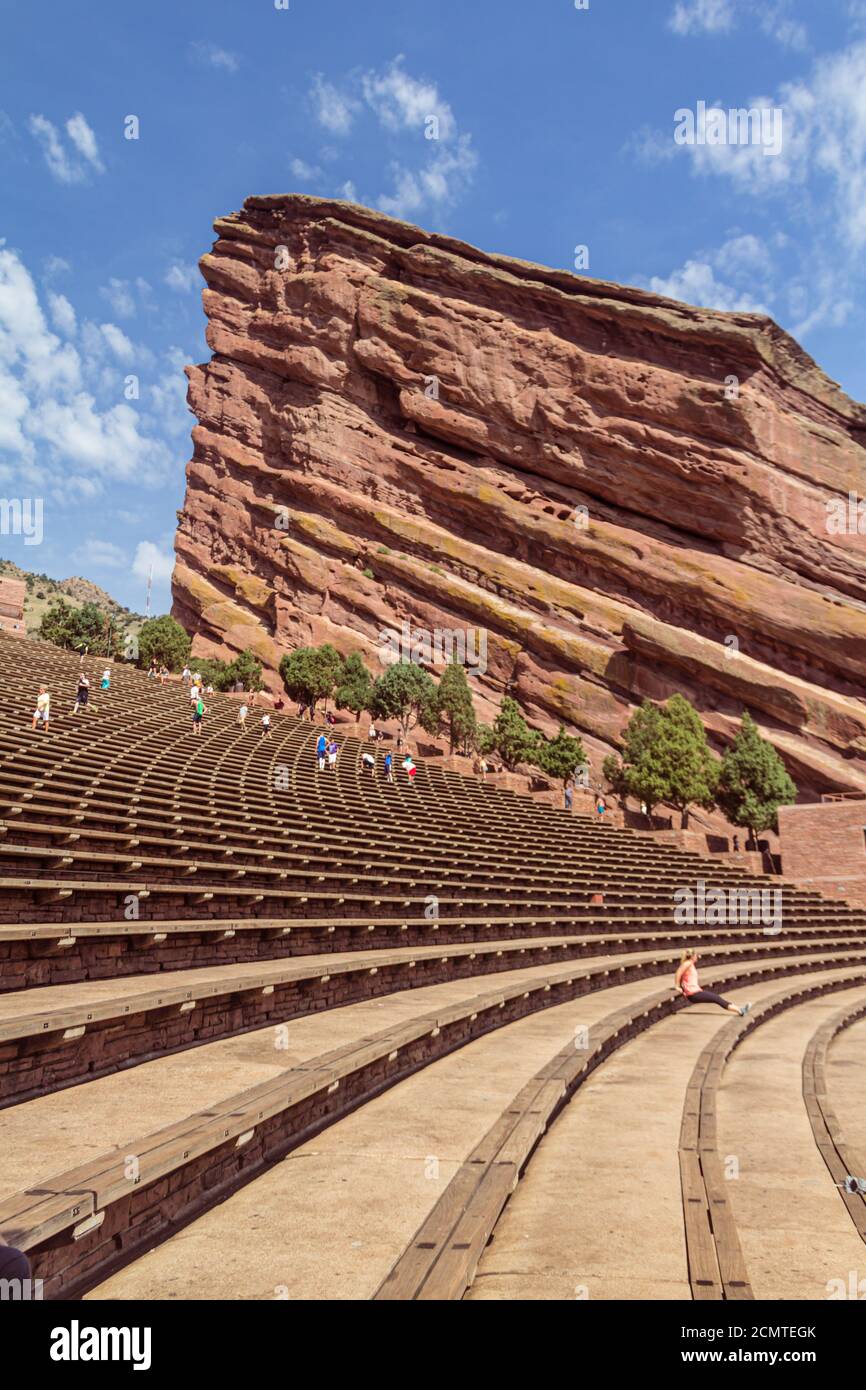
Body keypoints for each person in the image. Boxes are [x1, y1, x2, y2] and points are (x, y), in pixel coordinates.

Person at [675, 950, 751, 1017]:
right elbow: (678, 973)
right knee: (716, 998)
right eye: (696, 955)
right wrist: (677, 986)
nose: (697, 957)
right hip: (693, 994)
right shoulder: (687, 963)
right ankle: (740, 1011)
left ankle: (740, 1010)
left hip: (695, 992)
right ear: (692, 956)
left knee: (717, 998)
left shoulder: (690, 964)